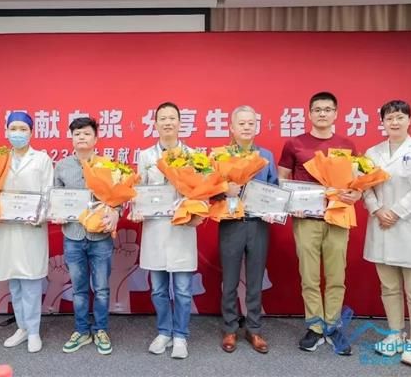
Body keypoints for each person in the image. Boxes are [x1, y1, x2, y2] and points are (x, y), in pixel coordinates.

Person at [278, 91, 361, 355]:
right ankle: (315, 327)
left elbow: (357, 181)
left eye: (327, 109)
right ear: (309, 113)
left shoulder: (347, 144)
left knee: (336, 275)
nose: (322, 114)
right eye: (317, 109)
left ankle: (333, 326)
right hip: (306, 219)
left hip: (338, 216)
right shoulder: (295, 143)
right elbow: (283, 179)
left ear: (336, 114)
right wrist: (291, 202)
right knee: (309, 276)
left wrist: (356, 194)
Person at [362, 100, 411, 367]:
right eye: (389, 118)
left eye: (399, 117)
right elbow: (364, 187)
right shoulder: (372, 153)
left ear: (409, 120)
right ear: (382, 122)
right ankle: (395, 334)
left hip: (409, 227)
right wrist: (376, 209)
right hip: (380, 225)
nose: (394, 122)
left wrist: (395, 212)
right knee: (389, 287)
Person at [131, 101, 203, 359]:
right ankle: (164, 332)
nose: (168, 122)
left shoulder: (194, 155)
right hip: (155, 229)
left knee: (182, 289)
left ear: (180, 123)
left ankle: (180, 335)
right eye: (163, 118)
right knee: (159, 289)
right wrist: (136, 208)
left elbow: (201, 192)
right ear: (155, 123)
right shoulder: (145, 156)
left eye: (172, 118)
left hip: (182, 228)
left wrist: (198, 214)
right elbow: (137, 189)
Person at [0, 112, 53, 353]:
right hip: (7, 229)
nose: (18, 133)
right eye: (14, 128)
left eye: (23, 129)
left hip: (31, 229)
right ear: (6, 131)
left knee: (31, 282)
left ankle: (34, 331)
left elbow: (49, 193)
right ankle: (21, 327)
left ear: (31, 132)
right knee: (15, 283)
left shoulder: (42, 159)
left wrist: (38, 215)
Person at [53, 117, 119, 356]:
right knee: (79, 289)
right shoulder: (62, 166)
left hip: (100, 237)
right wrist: (57, 212)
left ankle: (101, 330)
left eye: (86, 133)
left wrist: (116, 212)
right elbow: (56, 198)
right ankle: (81, 331)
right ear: (72, 138)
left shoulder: (108, 166)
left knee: (101, 289)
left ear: (96, 138)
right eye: (77, 134)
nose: (81, 137)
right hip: (73, 235)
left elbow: (118, 198)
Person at [217, 105, 279, 354]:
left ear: (257, 127)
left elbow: (274, 188)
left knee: (255, 280)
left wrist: (275, 208)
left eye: (250, 123)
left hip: (258, 224)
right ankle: (230, 328)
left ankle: (253, 328)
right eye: (241, 123)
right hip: (231, 223)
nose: (246, 127)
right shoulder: (220, 156)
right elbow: (209, 191)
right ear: (231, 127)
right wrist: (224, 189)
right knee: (230, 280)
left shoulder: (267, 156)